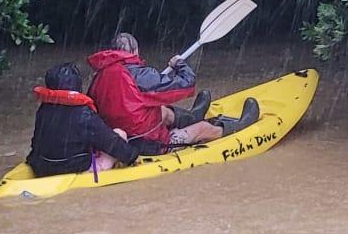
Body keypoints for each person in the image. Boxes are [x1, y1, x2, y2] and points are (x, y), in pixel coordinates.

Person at [87, 32, 259, 151]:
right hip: (149, 143)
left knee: (163, 111)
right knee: (204, 128)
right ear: (135, 51)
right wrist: (179, 64)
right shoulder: (142, 76)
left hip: (121, 139)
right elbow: (186, 84)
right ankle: (238, 127)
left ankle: (193, 116)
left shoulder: (98, 78)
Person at [25, 62, 157, 177]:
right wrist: (133, 156)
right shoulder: (82, 113)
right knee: (119, 134)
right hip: (72, 169)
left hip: (42, 167)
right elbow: (110, 142)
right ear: (76, 85)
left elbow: (36, 142)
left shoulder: (44, 109)